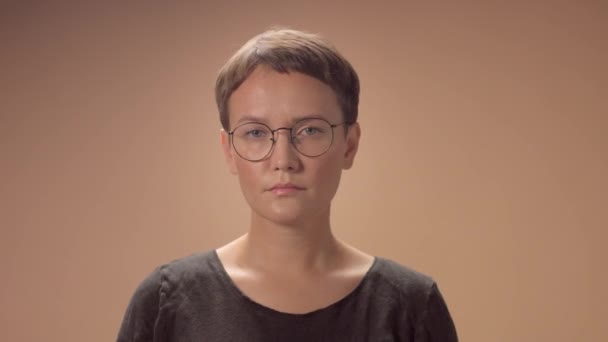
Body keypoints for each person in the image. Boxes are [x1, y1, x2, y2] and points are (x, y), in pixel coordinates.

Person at [117, 28, 458, 342]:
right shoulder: (166, 304)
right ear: (229, 151)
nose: (283, 159)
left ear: (349, 145)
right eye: (255, 133)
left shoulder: (411, 307)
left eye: (309, 130)